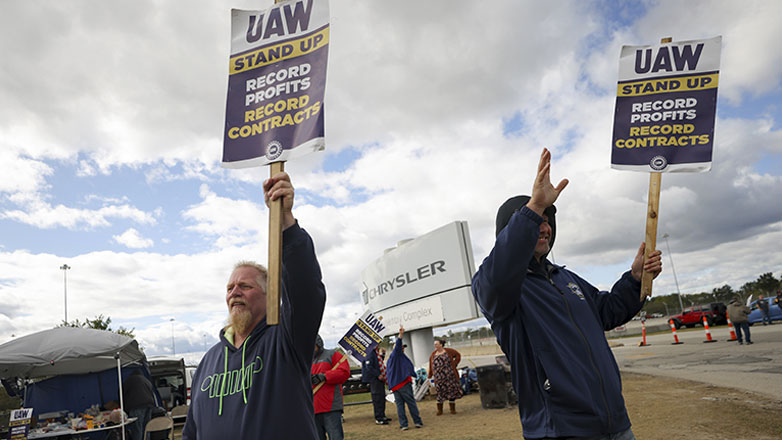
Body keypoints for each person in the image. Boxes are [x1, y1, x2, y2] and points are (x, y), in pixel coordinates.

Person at [471, 148, 662, 440]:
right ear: (510, 232)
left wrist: (635, 279)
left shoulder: (566, 278)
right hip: (561, 429)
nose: (544, 227)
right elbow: (500, 271)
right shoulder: (498, 287)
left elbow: (608, 311)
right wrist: (533, 207)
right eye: (537, 220)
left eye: (547, 220)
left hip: (615, 423)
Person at [182, 171, 327, 440]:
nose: (235, 292)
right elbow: (192, 430)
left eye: (245, 286)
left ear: (269, 295)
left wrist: (285, 222)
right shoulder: (208, 361)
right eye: (230, 288)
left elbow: (306, 291)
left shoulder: (286, 342)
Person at [311, 335, 350, 440]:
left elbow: (344, 372)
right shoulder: (305, 360)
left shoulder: (333, 355)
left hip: (331, 407)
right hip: (312, 408)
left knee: (335, 437)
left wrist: (324, 376)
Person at [386, 327, 423, 431]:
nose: (403, 348)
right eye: (401, 347)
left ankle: (404, 424)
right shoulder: (396, 355)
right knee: (411, 403)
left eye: (403, 347)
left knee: (400, 406)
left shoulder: (393, 359)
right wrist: (400, 335)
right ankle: (417, 422)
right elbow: (397, 346)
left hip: (395, 385)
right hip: (403, 384)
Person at [427, 339, 462, 415]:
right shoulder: (433, 354)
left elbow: (458, 355)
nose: (435, 345)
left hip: (450, 376)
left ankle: (452, 409)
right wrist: (430, 374)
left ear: (441, 345)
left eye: (436, 344)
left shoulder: (448, 351)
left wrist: (455, 363)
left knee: (451, 392)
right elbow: (431, 365)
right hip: (439, 378)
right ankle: (440, 410)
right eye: (434, 344)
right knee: (440, 393)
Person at [122, 368, 157, 440]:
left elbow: (121, 392)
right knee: (147, 428)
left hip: (136, 406)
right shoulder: (146, 380)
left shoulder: (130, 380)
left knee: (137, 429)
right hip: (149, 405)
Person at [361, 346, 391, 425]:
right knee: (377, 398)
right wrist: (377, 374)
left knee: (381, 397)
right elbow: (369, 366)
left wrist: (383, 355)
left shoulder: (375, 352)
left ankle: (382, 415)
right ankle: (379, 418)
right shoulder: (370, 352)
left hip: (379, 378)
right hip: (374, 379)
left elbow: (378, 363)